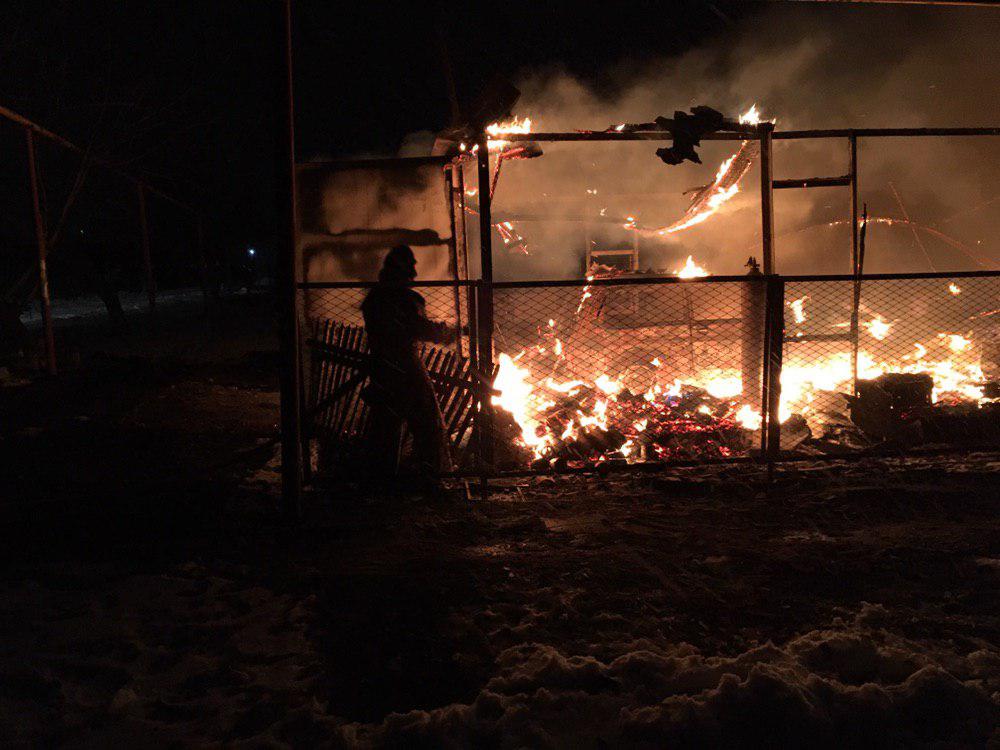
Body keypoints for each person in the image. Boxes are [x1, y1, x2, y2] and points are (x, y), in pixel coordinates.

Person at [360, 245, 454, 493]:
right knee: (427, 424)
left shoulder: (375, 298)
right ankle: (430, 478)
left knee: (385, 426)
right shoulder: (404, 299)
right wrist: (446, 333)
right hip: (407, 368)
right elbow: (419, 327)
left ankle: (381, 481)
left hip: (382, 367)